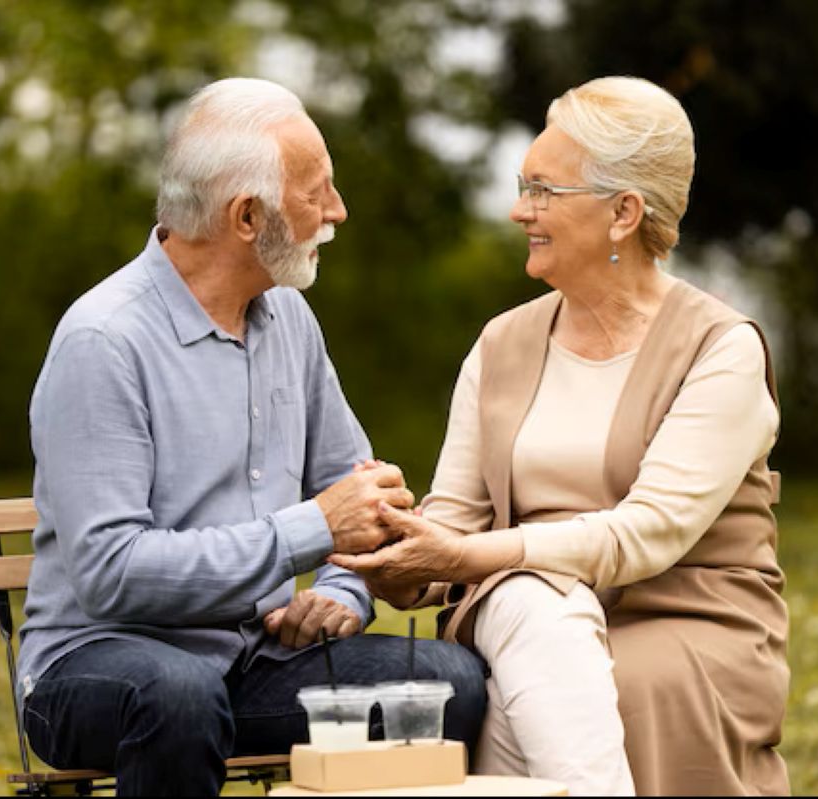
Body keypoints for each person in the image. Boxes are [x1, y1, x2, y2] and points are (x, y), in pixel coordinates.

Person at [17, 77, 487, 797]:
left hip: (248, 663)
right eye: (316, 192)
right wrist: (309, 531)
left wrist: (341, 592)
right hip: (95, 668)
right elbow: (110, 572)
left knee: (450, 682)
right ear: (247, 217)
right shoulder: (103, 340)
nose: (337, 211)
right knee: (176, 695)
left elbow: (353, 498)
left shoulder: (288, 321)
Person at [331, 76, 789, 796]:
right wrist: (403, 551)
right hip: (522, 610)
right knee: (535, 625)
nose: (520, 210)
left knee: (547, 663)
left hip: (684, 614)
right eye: (523, 187)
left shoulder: (720, 348)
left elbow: (648, 533)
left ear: (623, 213)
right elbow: (454, 517)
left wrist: (472, 554)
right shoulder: (501, 343)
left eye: (544, 190)